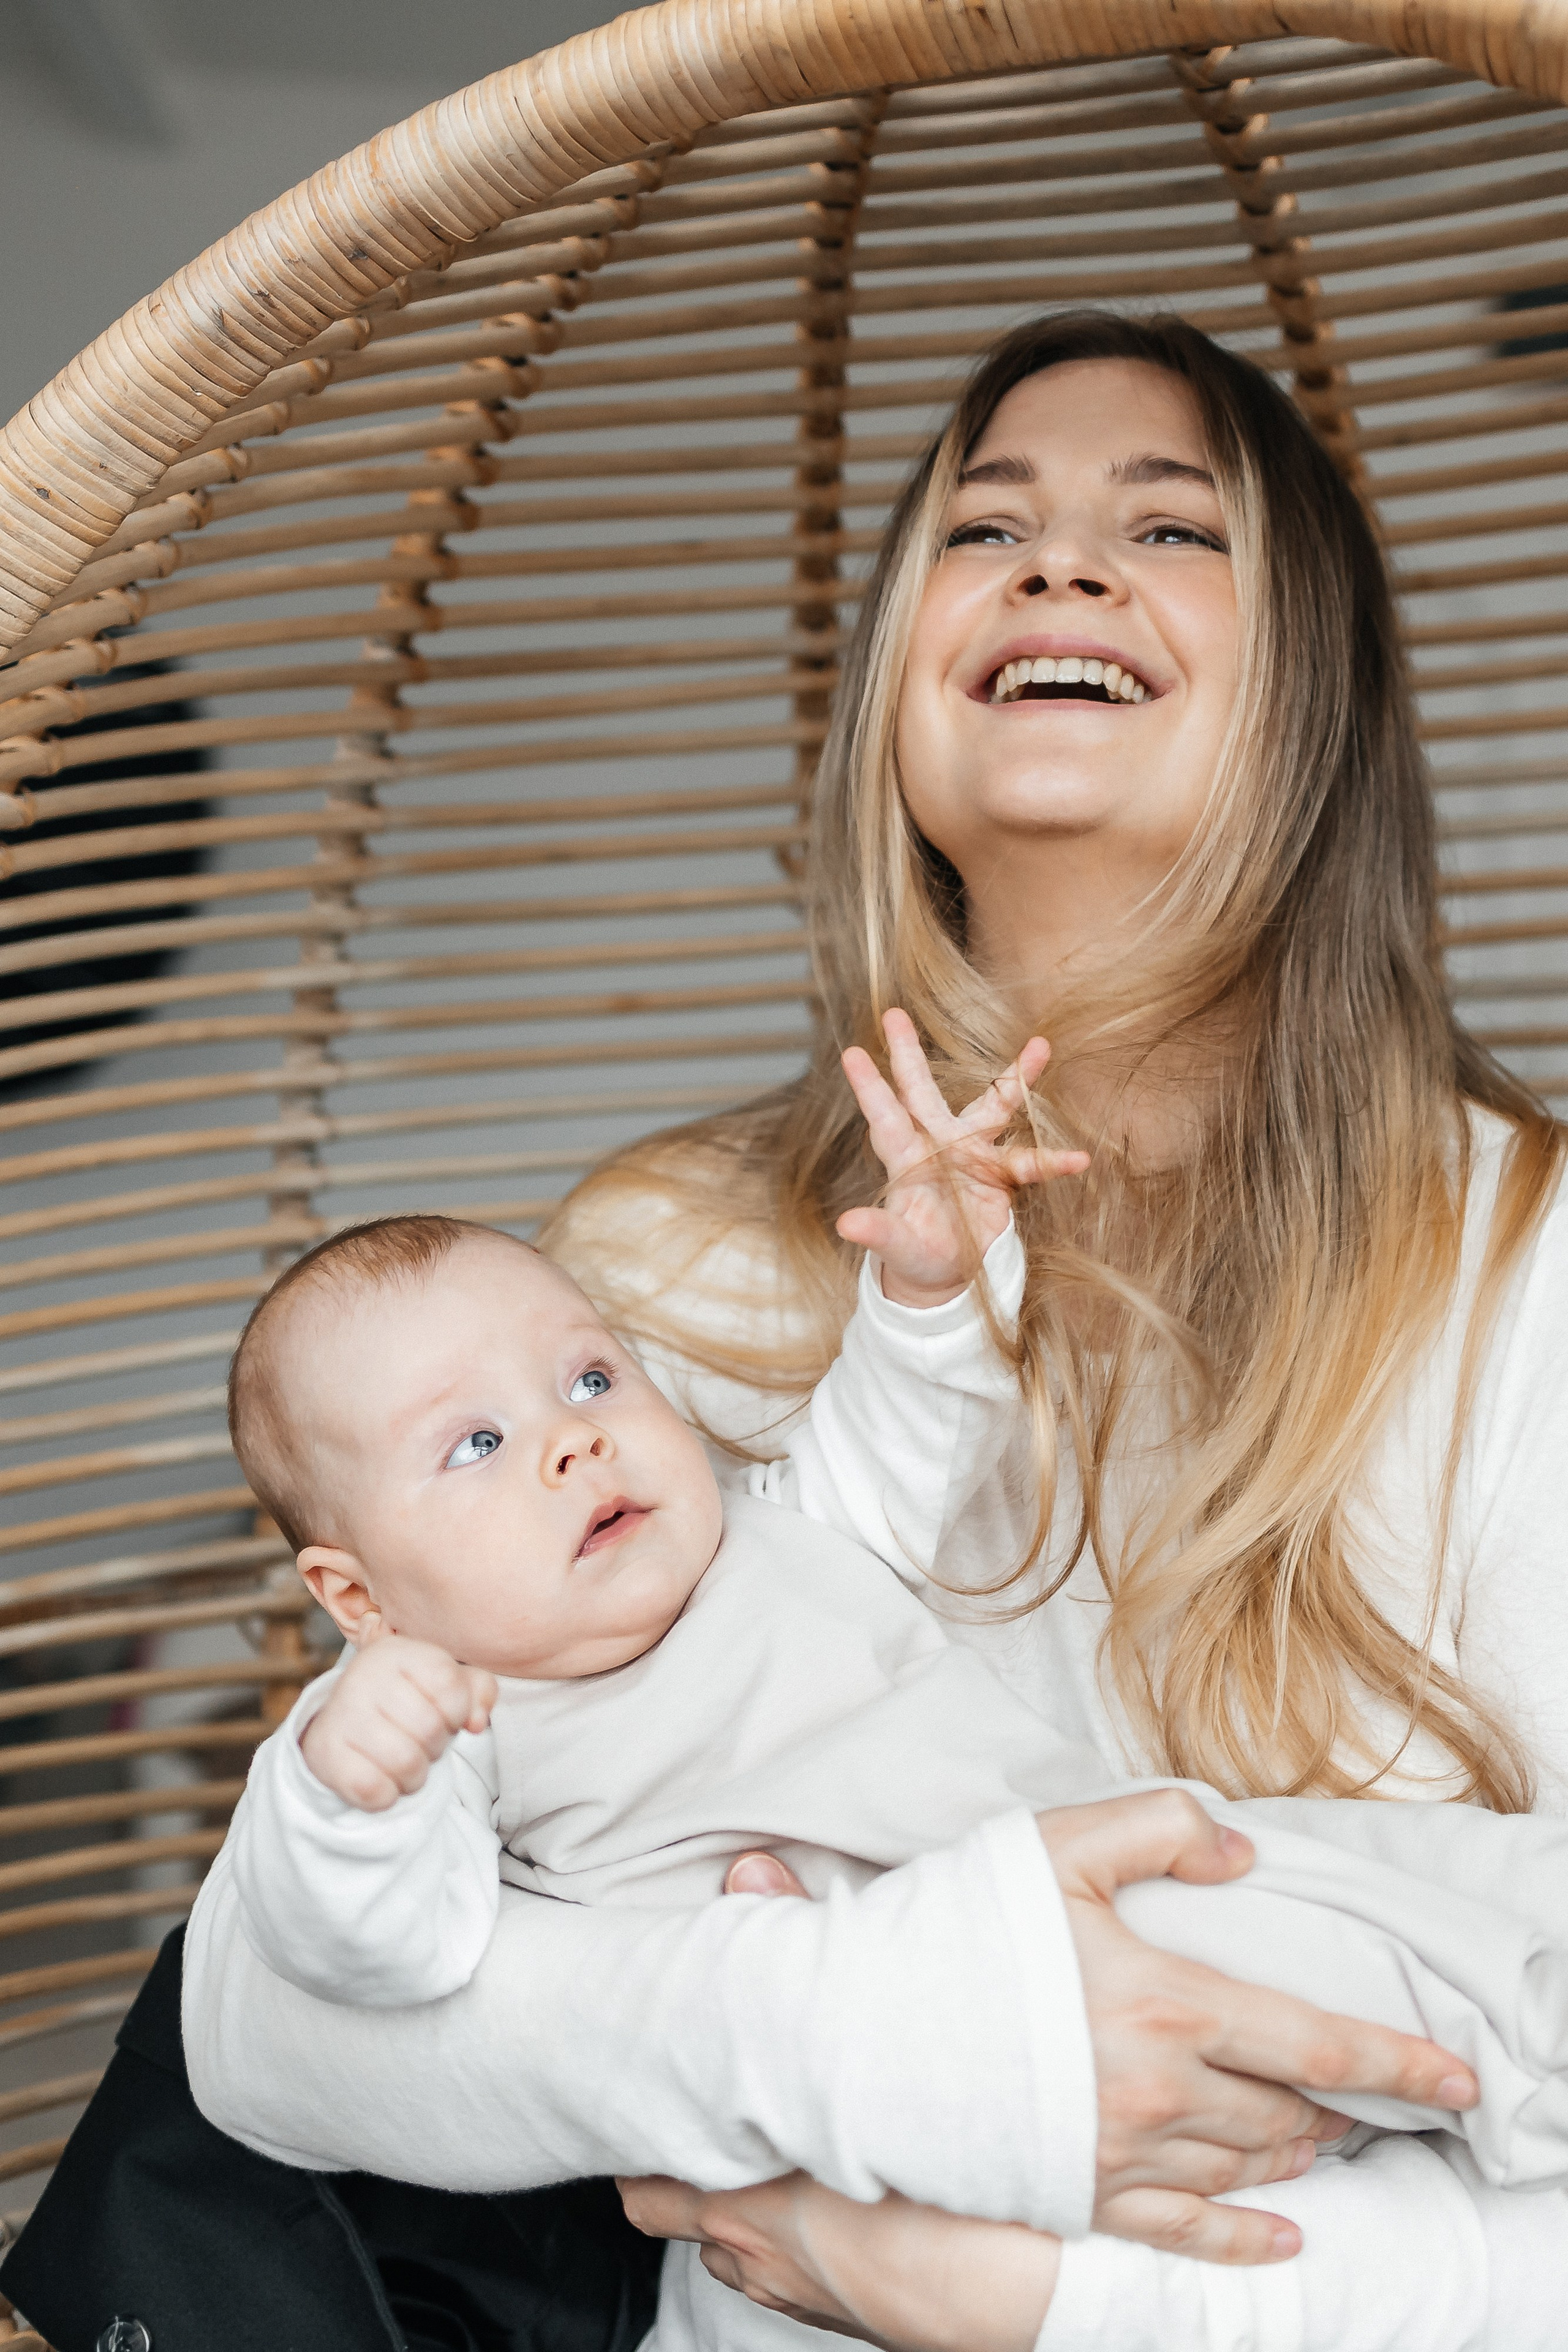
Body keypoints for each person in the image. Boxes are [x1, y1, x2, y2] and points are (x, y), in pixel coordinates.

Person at [159, 308, 1568, 2350]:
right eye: (985, 527)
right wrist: (898, 2040)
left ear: (1321, 695)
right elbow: (285, 2018)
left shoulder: (1529, 1270)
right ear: (894, 692)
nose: (1058, 565)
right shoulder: (659, 1276)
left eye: (1171, 530)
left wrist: (1015, 2289)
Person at [214, 1088, 1568, 2352]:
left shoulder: (772, 1538)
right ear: (356, 1594)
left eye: (587, 1380)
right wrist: (342, 1790)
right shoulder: (447, 1717)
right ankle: (1522, 2057)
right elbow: (368, 1953)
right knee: (1303, 1942)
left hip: (1083, 1928)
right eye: (474, 1445)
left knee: (1361, 1869)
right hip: (838, 2148)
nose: (571, 1442)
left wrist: (926, 1294)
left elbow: (892, 1435)